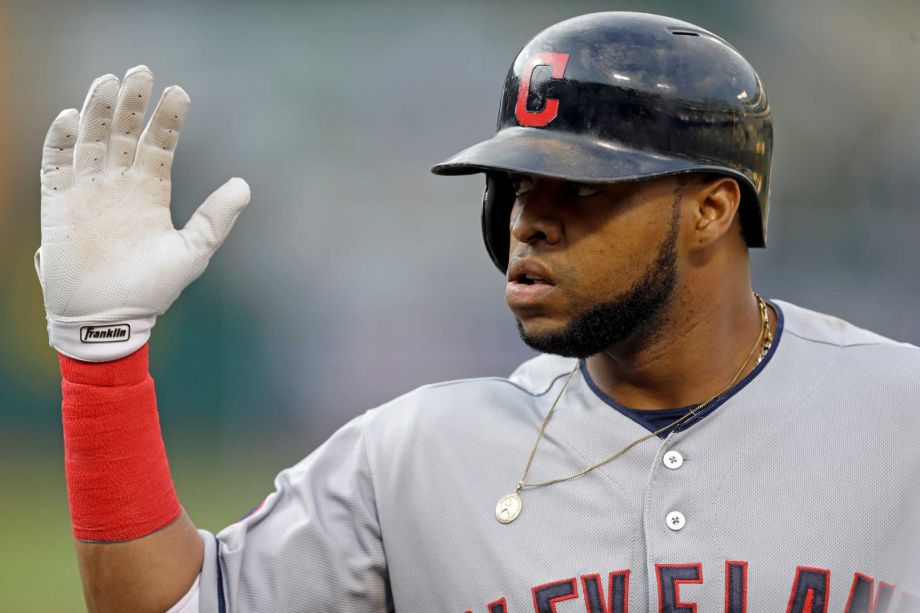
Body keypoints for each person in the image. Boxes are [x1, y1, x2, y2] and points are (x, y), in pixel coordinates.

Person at [35, 11, 920, 613]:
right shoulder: (419, 454)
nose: (530, 218)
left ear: (713, 209)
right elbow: (170, 604)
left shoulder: (899, 416)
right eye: (517, 184)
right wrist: (102, 353)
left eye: (581, 186)